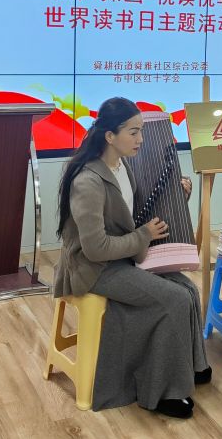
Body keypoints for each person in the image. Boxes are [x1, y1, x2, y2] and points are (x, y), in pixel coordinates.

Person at [53, 97, 210, 418]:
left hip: (122, 256)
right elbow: (95, 249)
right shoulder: (87, 181)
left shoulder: (122, 167)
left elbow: (130, 216)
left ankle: (190, 368)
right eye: (133, 132)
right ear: (110, 136)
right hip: (94, 269)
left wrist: (177, 195)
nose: (141, 139)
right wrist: (142, 237)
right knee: (173, 299)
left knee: (187, 290)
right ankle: (162, 392)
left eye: (141, 131)